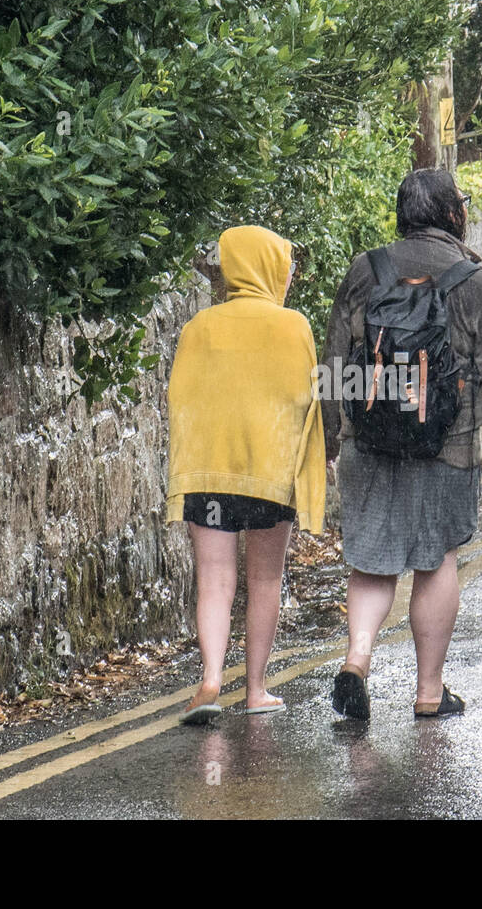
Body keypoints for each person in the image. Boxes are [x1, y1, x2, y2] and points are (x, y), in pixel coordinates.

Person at [321, 169, 482, 720]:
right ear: (453, 215)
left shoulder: (364, 271)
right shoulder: (476, 284)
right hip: (447, 447)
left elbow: (330, 365)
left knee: (373, 561)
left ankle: (358, 656)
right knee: (435, 559)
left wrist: (331, 437)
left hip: (369, 442)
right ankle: (428, 692)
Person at [166, 225, 325, 724]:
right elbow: (307, 404)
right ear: (272, 267)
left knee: (214, 578)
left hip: (209, 473)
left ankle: (211, 678)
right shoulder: (294, 327)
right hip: (268, 477)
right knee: (265, 578)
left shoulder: (199, 328)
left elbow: (180, 402)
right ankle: (255, 690)